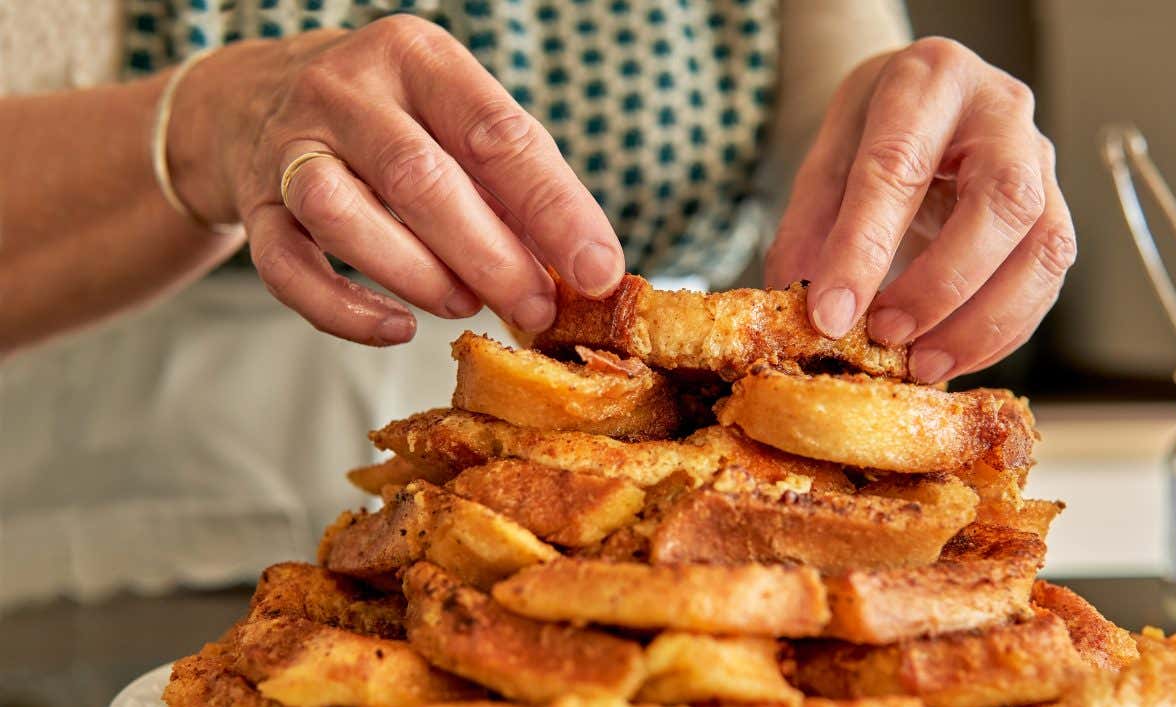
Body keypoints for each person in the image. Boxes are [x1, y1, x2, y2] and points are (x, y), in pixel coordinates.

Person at [0, 1, 1074, 609]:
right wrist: (203, 121)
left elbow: (828, 133)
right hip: (109, 565)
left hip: (699, 546)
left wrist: (911, 148)